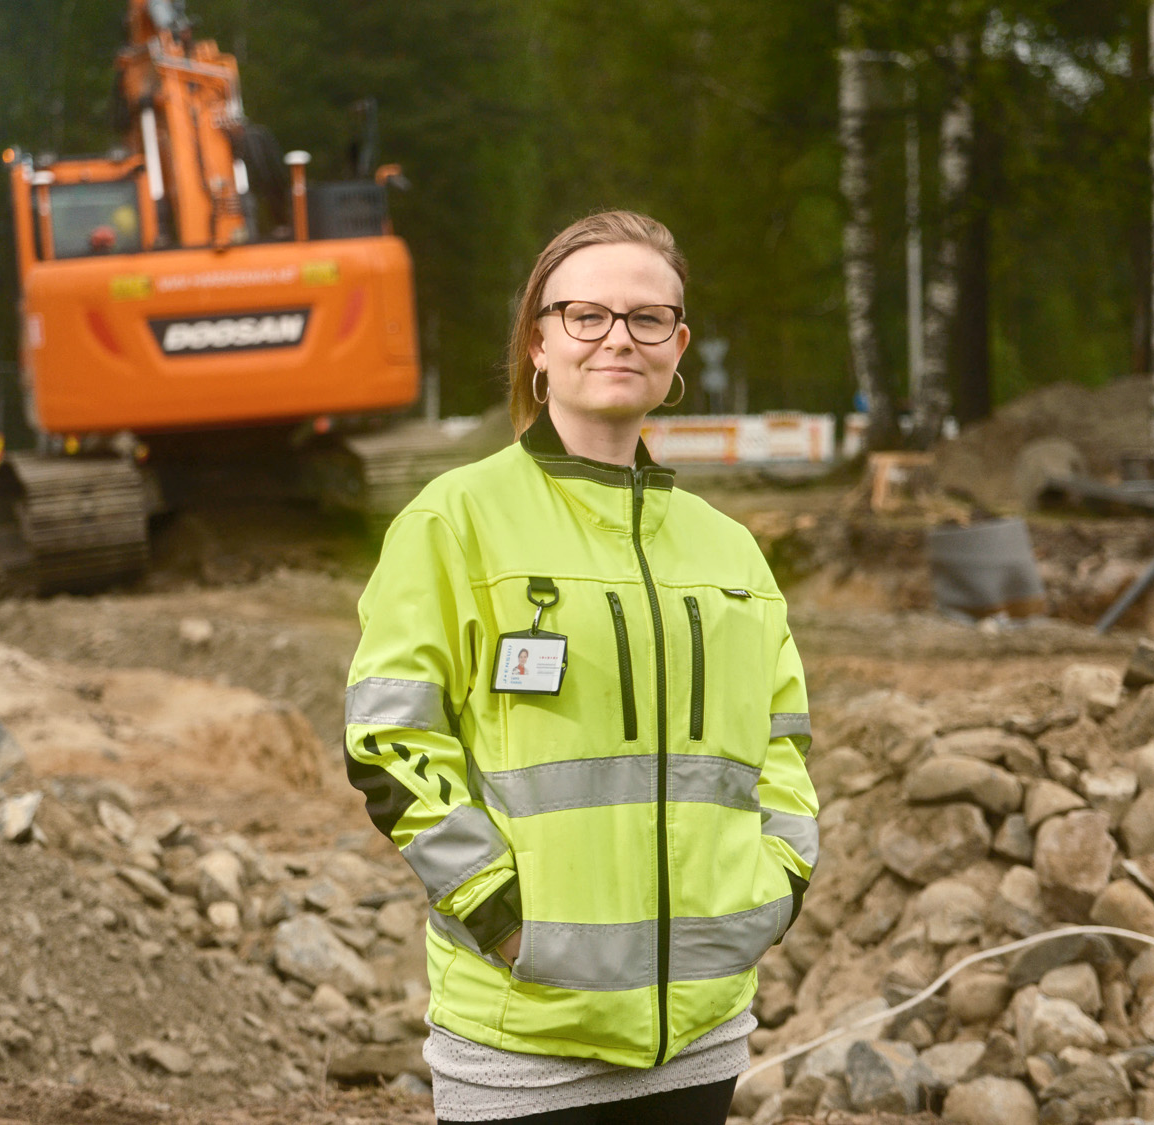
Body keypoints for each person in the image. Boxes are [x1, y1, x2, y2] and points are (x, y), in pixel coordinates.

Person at [343, 210, 817, 1124]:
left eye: (648, 319)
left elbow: (783, 744)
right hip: (524, 1029)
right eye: (586, 314)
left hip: (701, 1032)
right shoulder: (456, 521)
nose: (618, 338)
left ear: (678, 348)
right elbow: (390, 739)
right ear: (538, 340)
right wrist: (506, 920)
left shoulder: (730, 552)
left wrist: (773, 888)